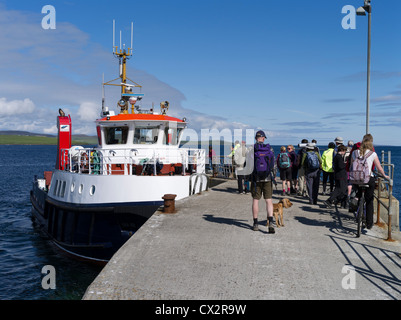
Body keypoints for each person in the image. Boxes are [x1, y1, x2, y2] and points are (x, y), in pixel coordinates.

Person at [348, 134, 389, 229]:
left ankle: (357, 201)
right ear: (371, 143)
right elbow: (379, 168)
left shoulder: (354, 152)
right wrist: (384, 175)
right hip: (367, 179)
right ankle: (369, 223)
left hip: (356, 179)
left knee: (358, 192)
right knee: (369, 200)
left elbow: (351, 166)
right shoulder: (372, 154)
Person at [250, 130, 275, 233]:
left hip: (256, 179)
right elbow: (273, 165)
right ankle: (271, 223)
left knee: (255, 200)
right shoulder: (269, 149)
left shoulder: (251, 150)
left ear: (256, 138)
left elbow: (248, 165)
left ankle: (255, 223)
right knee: (268, 200)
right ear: (263, 138)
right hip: (267, 178)